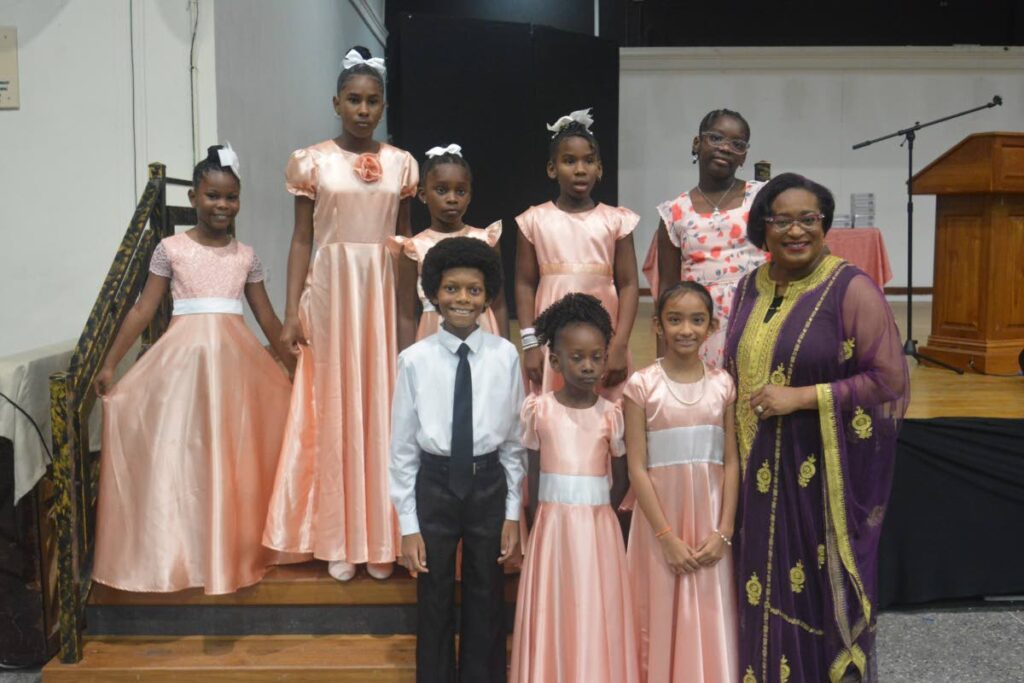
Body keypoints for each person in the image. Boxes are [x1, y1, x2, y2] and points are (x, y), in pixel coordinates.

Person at [724, 173, 908, 683]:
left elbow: (890, 378)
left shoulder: (850, 288)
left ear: (825, 225)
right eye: (782, 220)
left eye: (809, 219)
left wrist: (803, 397)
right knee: (761, 588)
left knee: (814, 594)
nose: (796, 231)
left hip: (818, 477)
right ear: (764, 225)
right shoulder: (748, 287)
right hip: (754, 472)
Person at [92, 145, 296, 594]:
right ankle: (188, 549)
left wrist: (294, 361)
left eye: (230, 198)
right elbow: (144, 309)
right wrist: (109, 362)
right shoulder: (171, 249)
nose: (221, 205)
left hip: (236, 363)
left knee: (234, 452)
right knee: (189, 455)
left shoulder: (246, 256)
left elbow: (266, 317)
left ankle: (238, 546)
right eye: (212, 196)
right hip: (183, 361)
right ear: (194, 198)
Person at [263, 47, 419, 582]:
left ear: (383, 105)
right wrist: (289, 314)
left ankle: (379, 537)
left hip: (379, 291)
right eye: (353, 99)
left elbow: (404, 244)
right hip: (330, 292)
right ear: (336, 102)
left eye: (372, 101)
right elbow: (301, 239)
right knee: (332, 404)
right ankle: (334, 535)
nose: (362, 109)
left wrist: (408, 312)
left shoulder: (401, 164)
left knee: (379, 404)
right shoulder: (311, 161)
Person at [390, 237, 525, 682]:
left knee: (487, 592)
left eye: (473, 290)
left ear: (487, 297)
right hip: (435, 484)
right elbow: (404, 449)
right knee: (434, 592)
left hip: (487, 484)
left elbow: (513, 442)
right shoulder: (413, 360)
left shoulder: (506, 357)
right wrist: (409, 525)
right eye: (451, 289)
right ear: (433, 292)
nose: (462, 299)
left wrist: (510, 513)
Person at [510, 293, 639, 683]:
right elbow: (531, 469)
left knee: (594, 605)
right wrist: (534, 519)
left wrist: (601, 512)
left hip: (598, 529)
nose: (587, 366)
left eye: (596, 357)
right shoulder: (539, 410)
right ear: (555, 361)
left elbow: (619, 478)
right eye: (577, 357)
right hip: (552, 526)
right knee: (556, 605)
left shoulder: (611, 415)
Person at [623, 281, 740, 682]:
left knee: (708, 606)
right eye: (675, 320)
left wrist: (723, 530)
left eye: (696, 320)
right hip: (660, 526)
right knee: (656, 610)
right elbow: (636, 467)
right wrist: (666, 536)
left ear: (711, 327)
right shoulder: (641, 386)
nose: (685, 330)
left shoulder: (723, 385)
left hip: (708, 521)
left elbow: (732, 461)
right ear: (657, 325)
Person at [515, 108, 639, 399]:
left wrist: (619, 345)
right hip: (550, 336)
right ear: (552, 168)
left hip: (603, 337)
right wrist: (531, 344)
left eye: (589, 160)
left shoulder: (617, 221)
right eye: (569, 161)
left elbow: (629, 285)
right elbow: (524, 283)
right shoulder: (533, 221)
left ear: (600, 168)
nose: (580, 169)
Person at [643, 108, 766, 367]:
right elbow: (667, 289)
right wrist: (662, 357)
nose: (725, 148)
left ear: (744, 156)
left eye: (737, 143)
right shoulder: (674, 212)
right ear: (697, 144)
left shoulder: (762, 198)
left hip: (756, 311)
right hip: (699, 322)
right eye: (716, 138)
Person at [394, 143, 507, 348]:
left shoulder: (486, 241)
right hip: (433, 336)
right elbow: (406, 315)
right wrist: (405, 359)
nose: (452, 199)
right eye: (441, 190)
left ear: (470, 195)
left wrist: (507, 351)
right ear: (422, 194)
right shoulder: (413, 248)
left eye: (461, 191)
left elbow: (498, 305)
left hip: (482, 332)